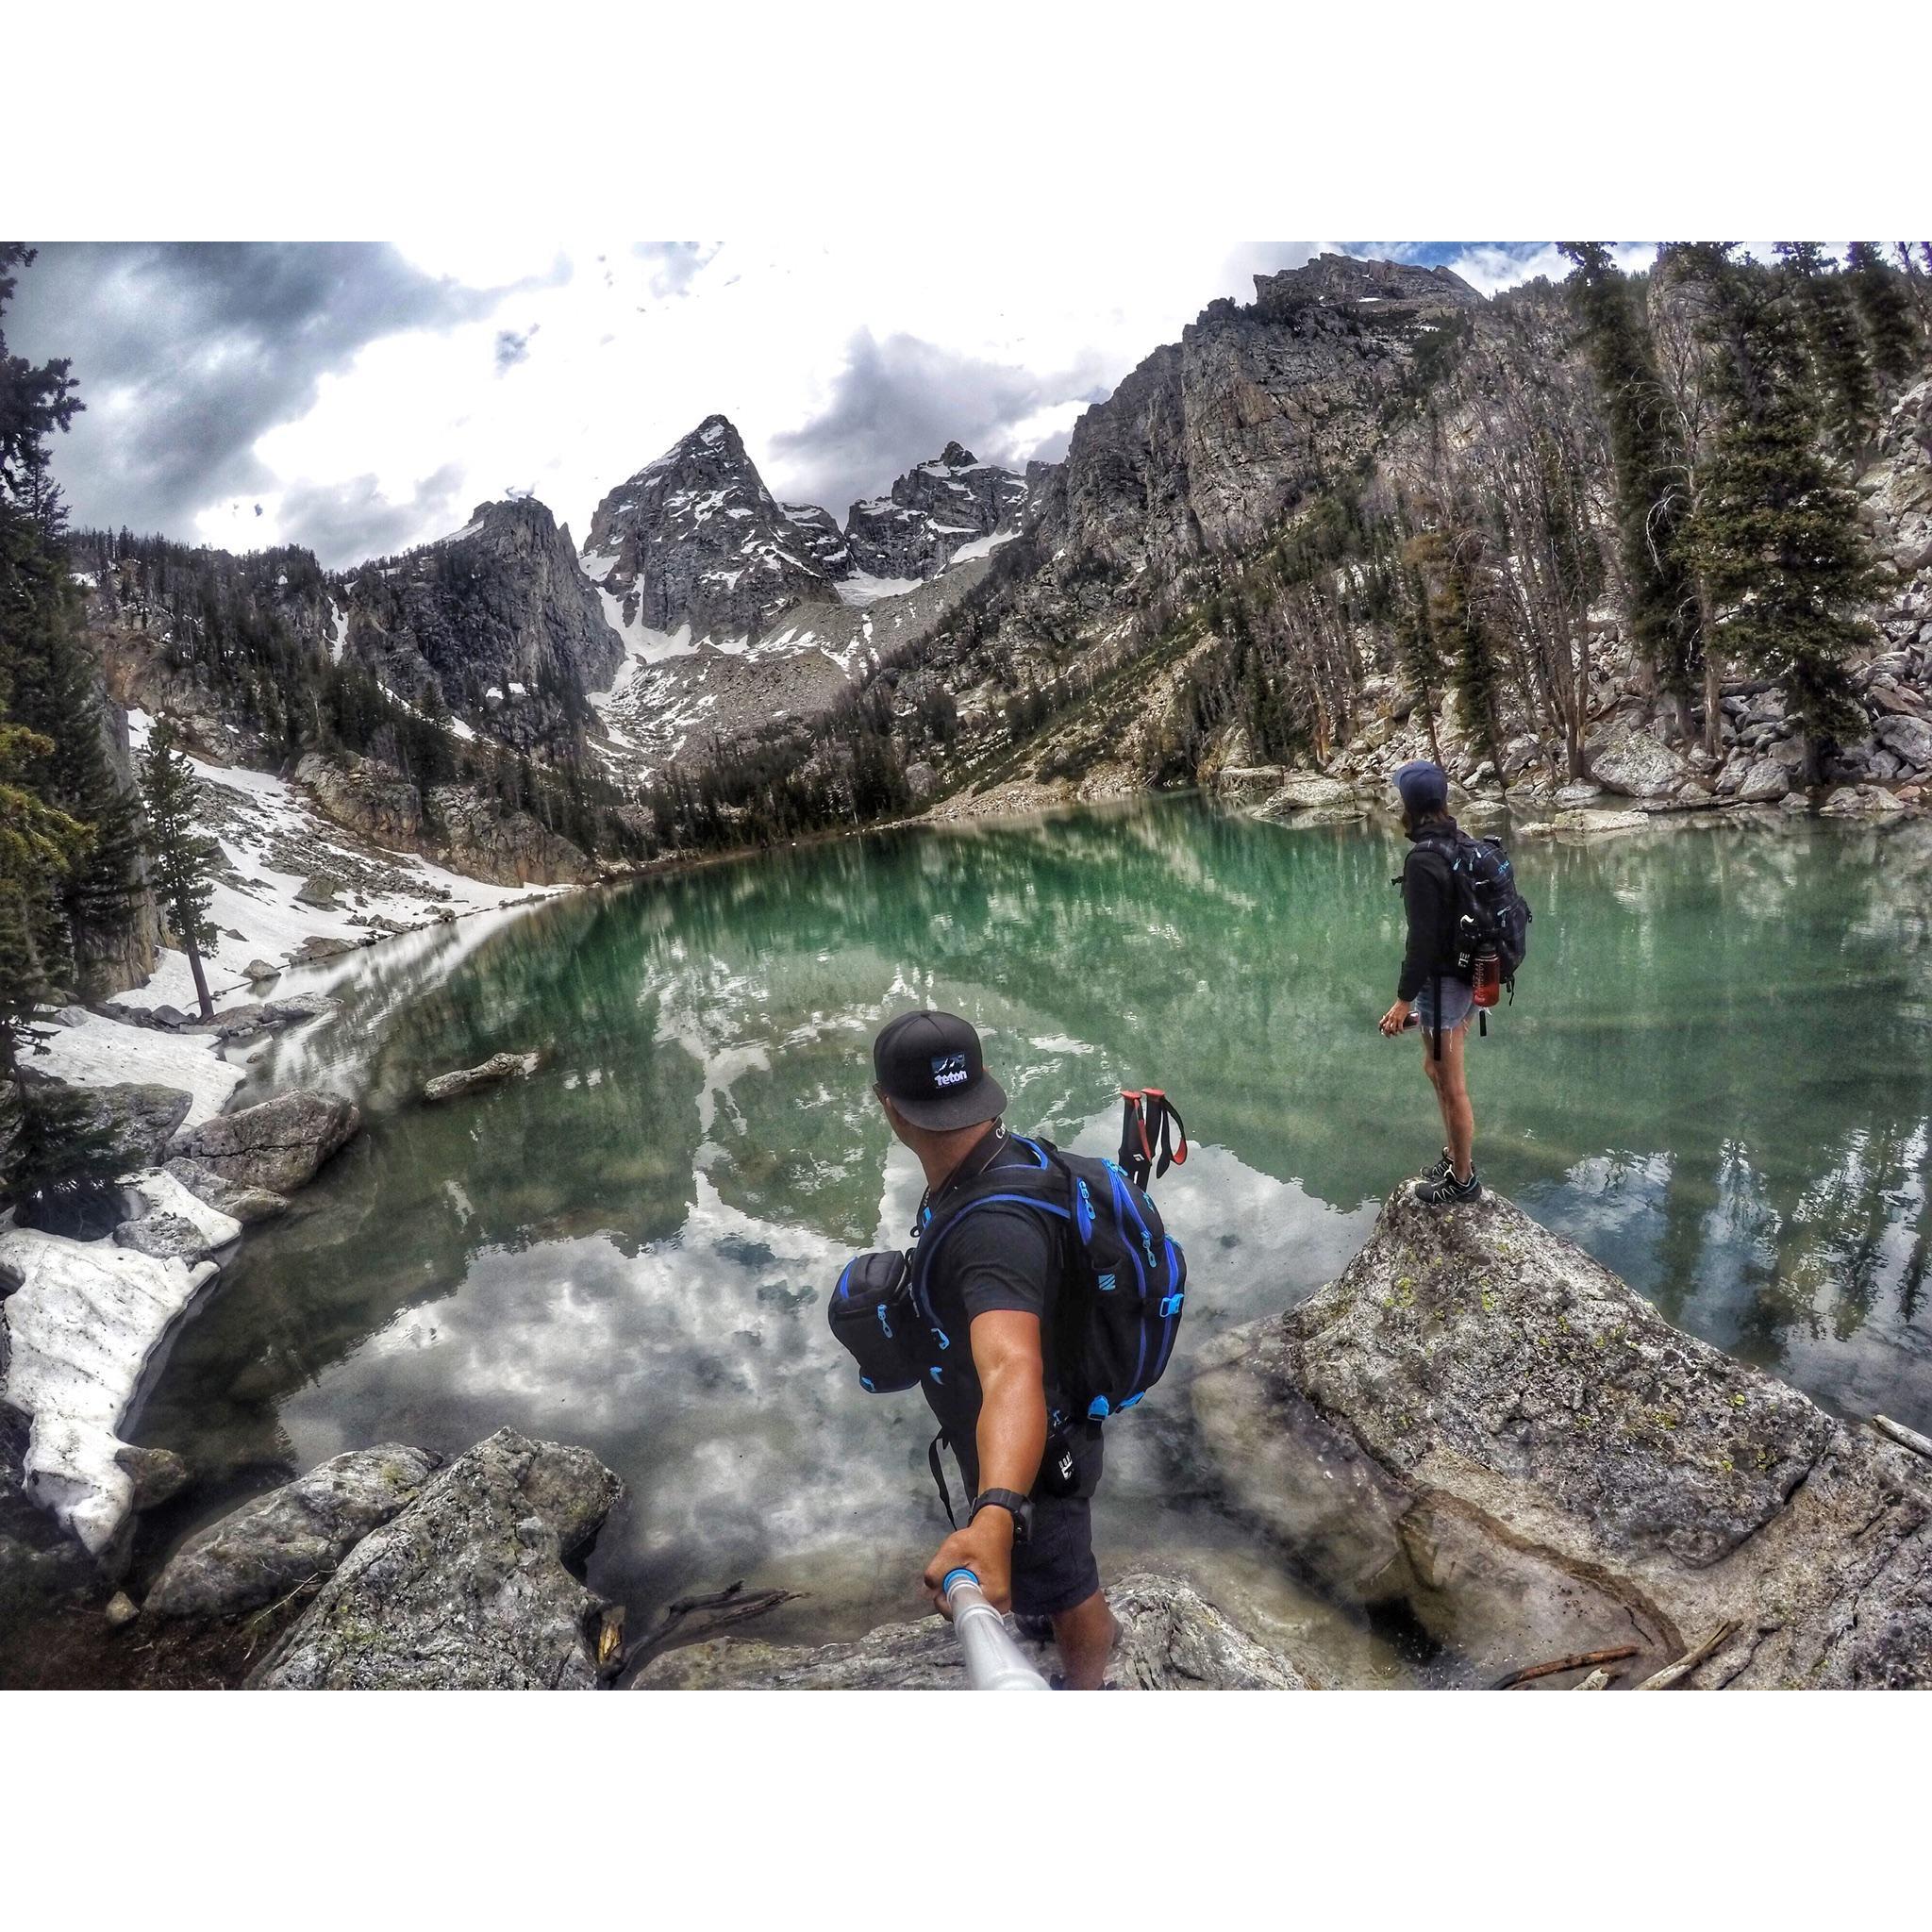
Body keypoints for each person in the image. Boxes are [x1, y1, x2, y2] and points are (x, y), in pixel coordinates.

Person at [870, 1008, 1120, 1689]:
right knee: (1051, 1574)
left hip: (1039, 1452)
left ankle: (1087, 1682)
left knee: (1071, 1587)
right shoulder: (1003, 1160)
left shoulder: (991, 1235)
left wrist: (995, 1514)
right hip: (1050, 1421)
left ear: (890, 1108)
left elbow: (1013, 1367)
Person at [1377, 758, 1484, 1205]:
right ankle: (1455, 1154)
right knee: (1434, 1068)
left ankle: (1463, 1181)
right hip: (1470, 976)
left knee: (1449, 1083)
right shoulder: (1460, 842)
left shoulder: (1423, 860)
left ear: (1411, 806)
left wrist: (1403, 1001)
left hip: (1443, 984)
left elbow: (1420, 941)